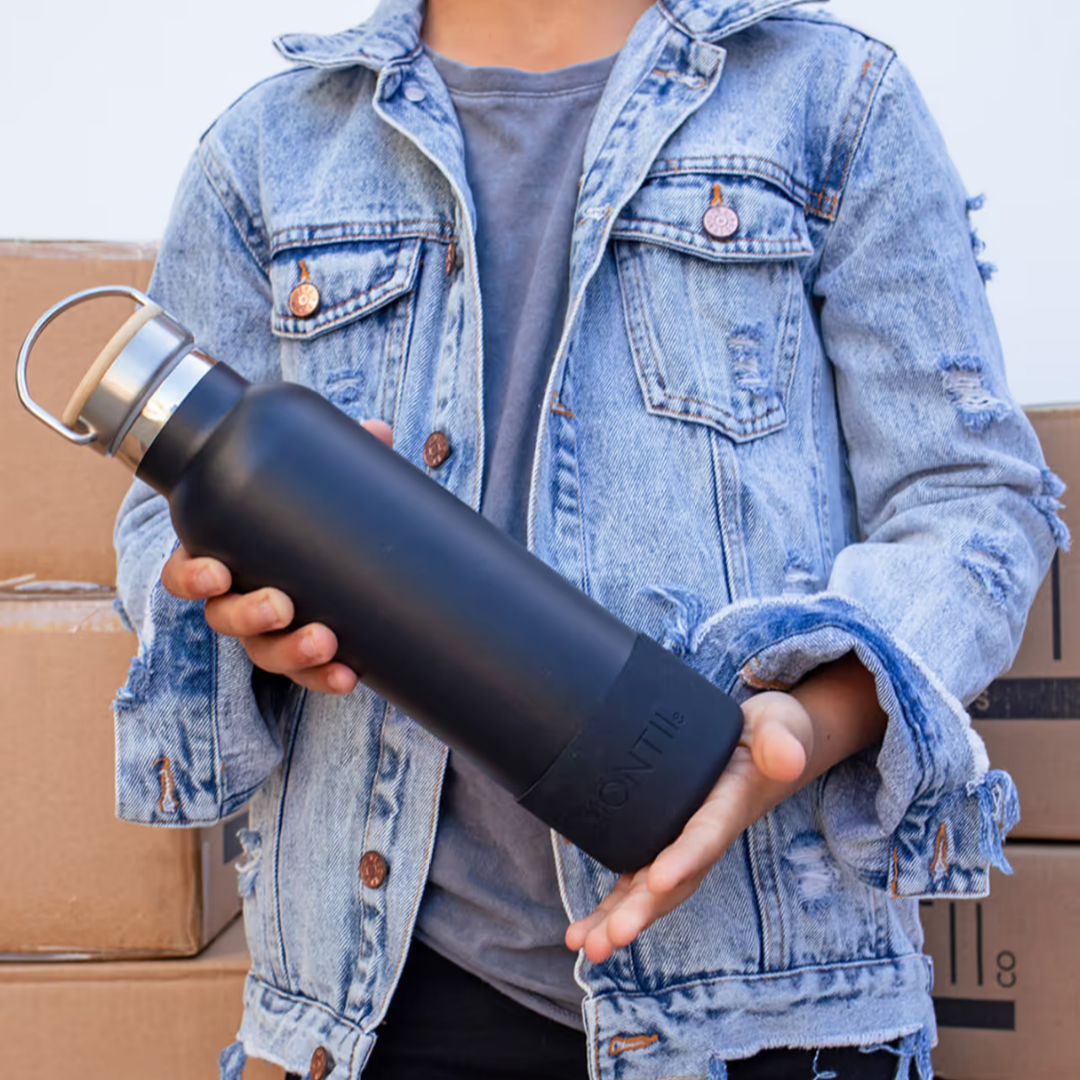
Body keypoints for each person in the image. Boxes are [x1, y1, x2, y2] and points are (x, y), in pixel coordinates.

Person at [111, 1, 1065, 1077]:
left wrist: (810, 719)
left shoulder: (830, 100)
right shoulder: (271, 147)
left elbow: (971, 493)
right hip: (384, 997)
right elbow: (158, 525)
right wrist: (237, 610)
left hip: (769, 992)